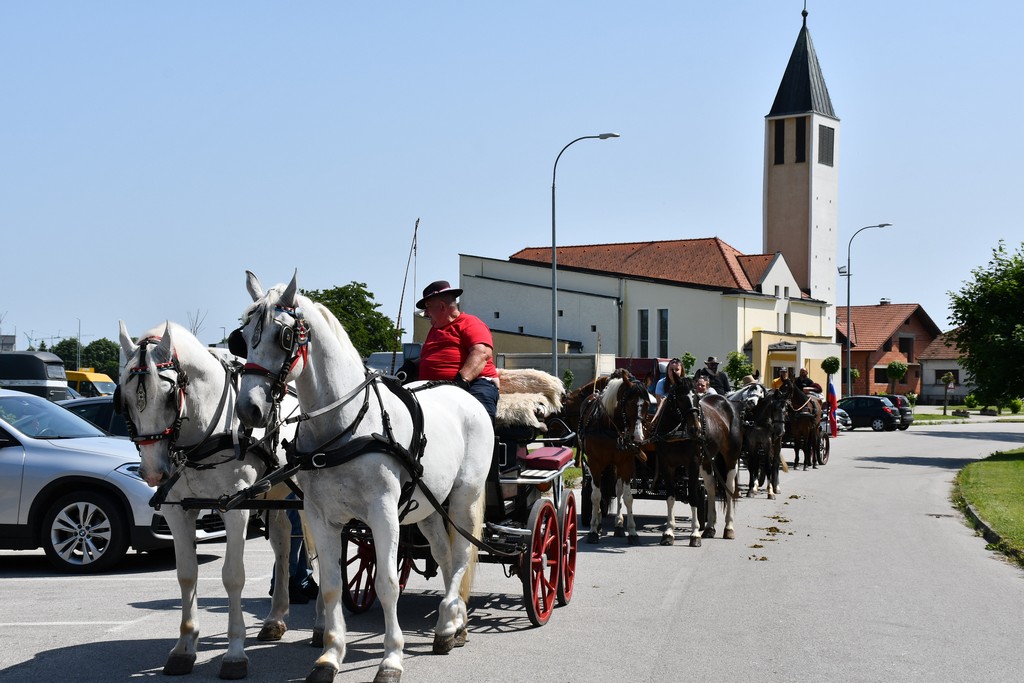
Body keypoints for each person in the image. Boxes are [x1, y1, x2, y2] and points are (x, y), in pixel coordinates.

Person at [415, 279, 500, 421]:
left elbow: (481, 353)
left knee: (477, 418)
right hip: (435, 388)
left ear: (442, 306)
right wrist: (412, 365)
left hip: (475, 383)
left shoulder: (470, 323)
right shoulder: (434, 330)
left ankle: (484, 443)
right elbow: (432, 357)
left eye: (428, 307)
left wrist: (461, 381)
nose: (426, 313)